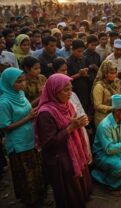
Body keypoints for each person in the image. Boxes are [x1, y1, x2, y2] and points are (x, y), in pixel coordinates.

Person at [35, 73, 92, 208]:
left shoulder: (67, 105)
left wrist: (78, 123)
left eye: (70, 88)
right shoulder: (45, 113)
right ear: (54, 91)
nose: (69, 93)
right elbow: (48, 143)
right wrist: (71, 128)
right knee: (68, 192)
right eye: (65, 90)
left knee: (77, 188)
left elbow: (70, 122)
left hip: (74, 152)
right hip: (59, 159)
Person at [0, 68, 46, 206]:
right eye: (18, 82)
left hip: (30, 138)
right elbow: (5, 127)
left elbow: (27, 109)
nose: (22, 84)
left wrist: (34, 110)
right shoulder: (4, 102)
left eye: (23, 80)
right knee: (26, 175)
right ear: (8, 83)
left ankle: (40, 197)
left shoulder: (19, 94)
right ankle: (31, 201)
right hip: (19, 143)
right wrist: (28, 117)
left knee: (36, 170)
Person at [92, 60, 121, 127]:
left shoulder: (116, 83)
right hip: (103, 119)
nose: (114, 75)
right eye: (111, 73)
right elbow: (97, 106)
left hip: (116, 116)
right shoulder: (99, 86)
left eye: (115, 73)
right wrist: (112, 108)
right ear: (105, 73)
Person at [67, 39, 91, 113]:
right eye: (79, 51)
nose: (81, 53)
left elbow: (89, 75)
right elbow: (67, 79)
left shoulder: (84, 59)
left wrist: (86, 74)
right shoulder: (68, 61)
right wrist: (79, 74)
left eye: (82, 51)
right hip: (74, 89)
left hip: (84, 89)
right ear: (72, 50)